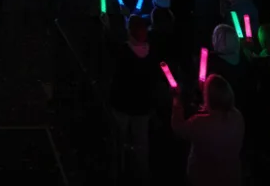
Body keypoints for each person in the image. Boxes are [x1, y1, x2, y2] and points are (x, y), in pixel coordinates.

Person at [103, 13, 159, 185]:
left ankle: (116, 174)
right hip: (143, 106)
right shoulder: (152, 54)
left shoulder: (122, 51)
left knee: (118, 141)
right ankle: (142, 176)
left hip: (121, 104)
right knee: (142, 145)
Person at [171, 74, 245, 186]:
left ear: (208, 97)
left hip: (203, 178)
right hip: (231, 177)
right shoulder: (237, 116)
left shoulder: (199, 123)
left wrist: (177, 102)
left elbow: (178, 127)